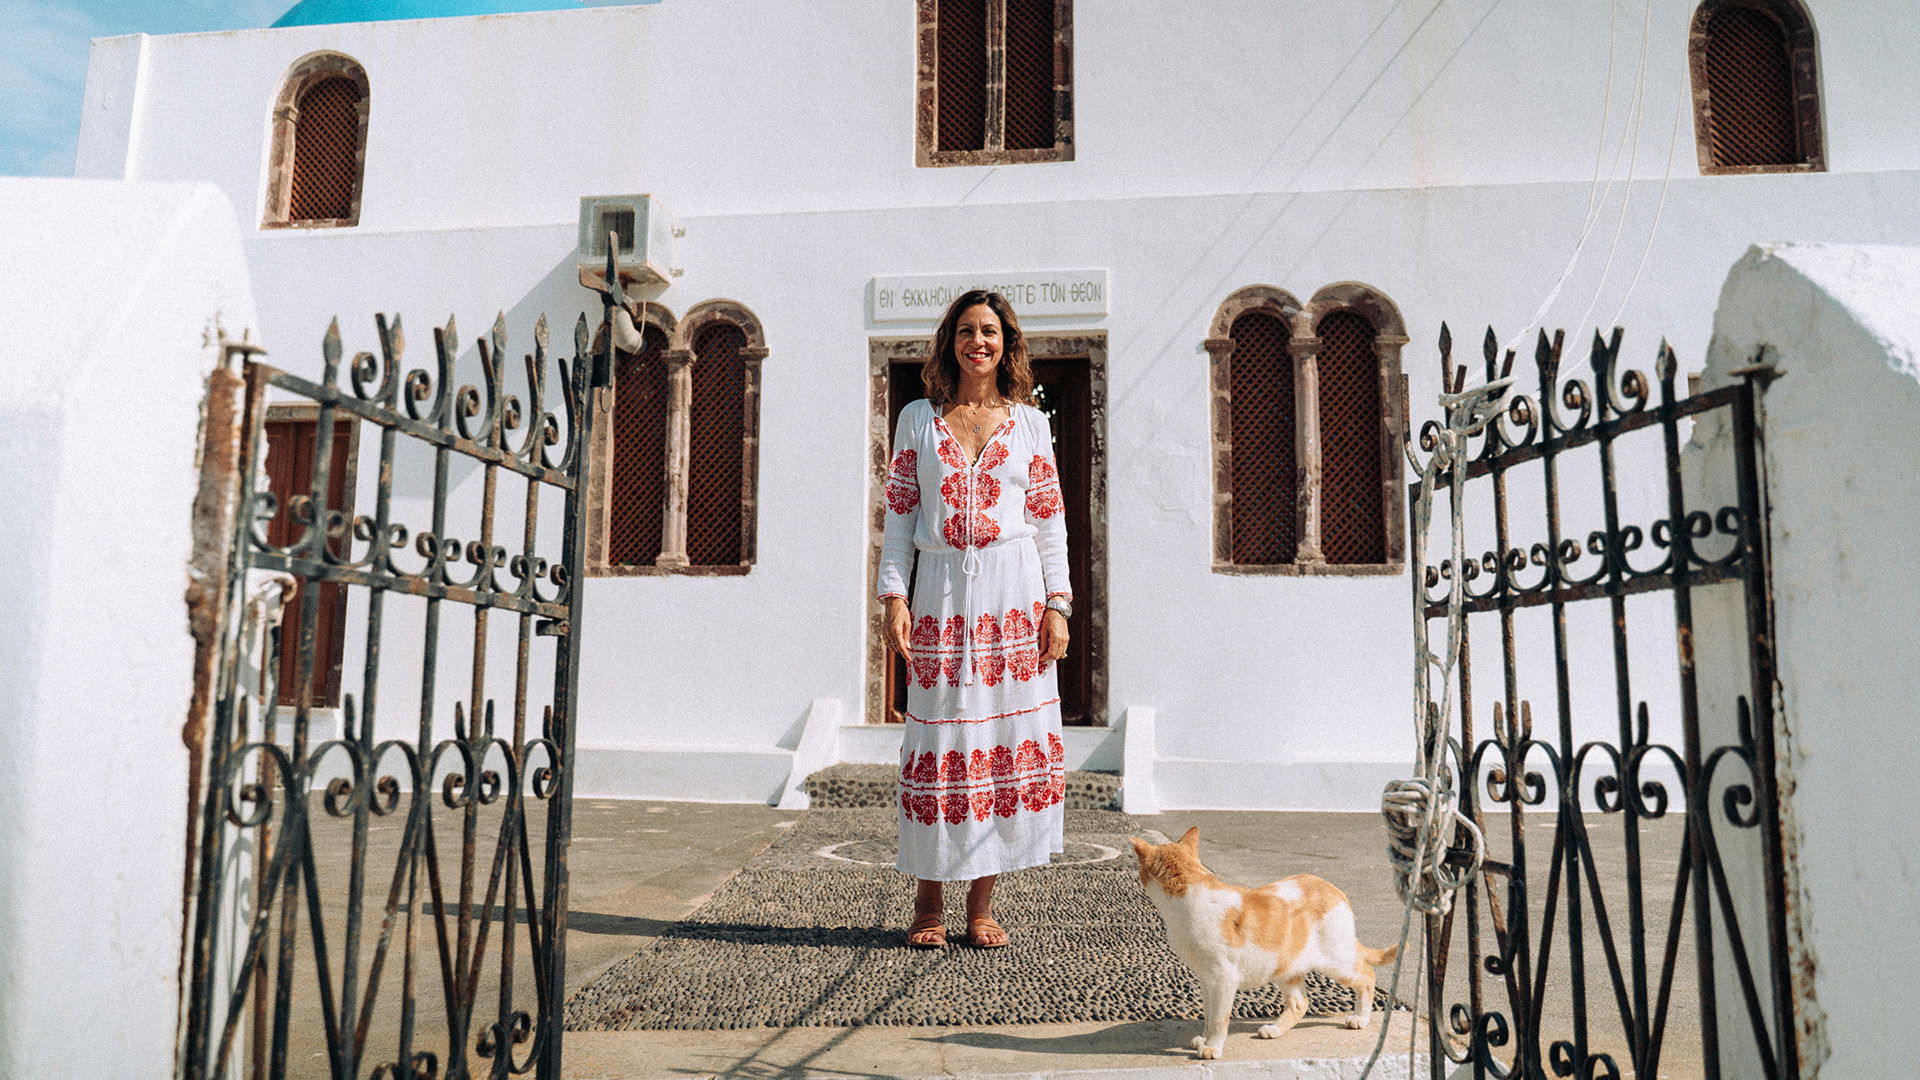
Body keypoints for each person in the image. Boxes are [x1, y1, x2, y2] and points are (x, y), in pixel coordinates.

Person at [877, 289, 1072, 949]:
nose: (977, 343)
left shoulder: (1032, 424)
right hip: (939, 597)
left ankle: (981, 907)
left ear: (1006, 343)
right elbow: (900, 515)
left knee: (997, 751)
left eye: (989, 331)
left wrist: (1059, 604)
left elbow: (1049, 525)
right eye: (966, 331)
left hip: (1013, 598)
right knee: (940, 745)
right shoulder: (917, 419)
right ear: (950, 342)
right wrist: (893, 597)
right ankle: (928, 906)